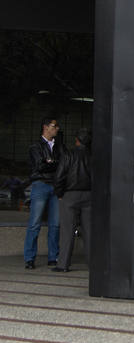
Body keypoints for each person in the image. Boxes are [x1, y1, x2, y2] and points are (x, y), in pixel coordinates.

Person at [24, 117, 61, 269]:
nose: (57, 128)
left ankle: (53, 256)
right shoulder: (35, 146)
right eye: (55, 126)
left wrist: (50, 162)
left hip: (54, 185)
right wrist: (52, 164)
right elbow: (40, 165)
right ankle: (29, 258)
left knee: (55, 224)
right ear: (46, 127)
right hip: (41, 184)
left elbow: (61, 163)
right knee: (34, 223)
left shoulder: (59, 146)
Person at [53, 128, 92, 273]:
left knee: (67, 230)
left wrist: (59, 193)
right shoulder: (93, 156)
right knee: (89, 231)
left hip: (69, 195)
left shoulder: (68, 155)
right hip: (89, 195)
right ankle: (92, 263)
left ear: (77, 140)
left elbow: (59, 176)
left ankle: (63, 264)